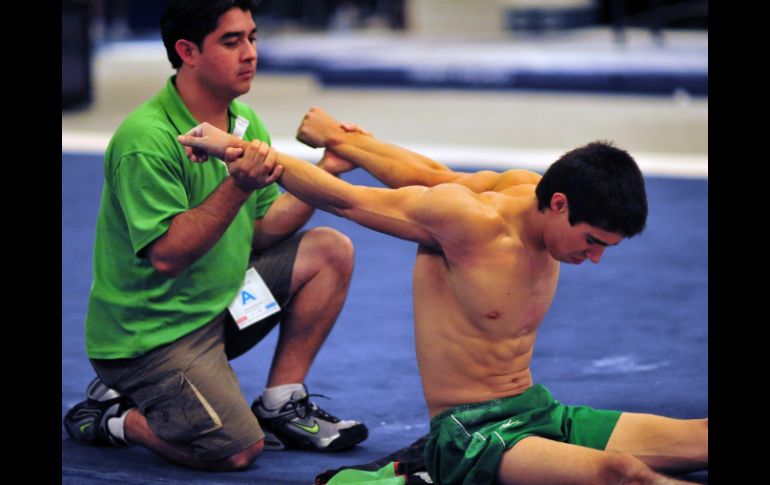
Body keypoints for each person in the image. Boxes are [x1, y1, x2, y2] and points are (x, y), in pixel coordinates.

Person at [178, 111, 708, 484]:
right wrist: (237, 148)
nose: (594, 259)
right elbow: (348, 200)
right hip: (470, 436)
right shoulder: (470, 225)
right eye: (592, 241)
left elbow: (430, 175)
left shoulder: (525, 189)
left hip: (536, 411)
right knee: (626, 476)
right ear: (560, 204)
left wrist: (343, 138)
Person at [62, 2, 368, 471]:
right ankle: (113, 416)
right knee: (237, 450)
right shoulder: (146, 140)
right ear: (187, 51)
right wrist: (238, 183)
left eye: (252, 38)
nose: (250, 53)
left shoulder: (243, 122)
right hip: (153, 341)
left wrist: (327, 171)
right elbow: (167, 256)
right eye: (232, 41)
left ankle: (280, 404)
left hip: (222, 313)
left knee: (329, 250)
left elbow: (264, 231)